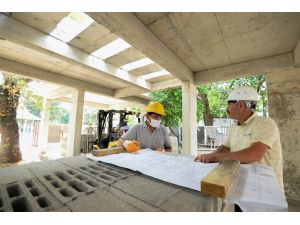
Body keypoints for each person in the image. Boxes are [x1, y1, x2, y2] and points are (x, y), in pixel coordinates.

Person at [194, 86, 283, 189]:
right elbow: (225, 147)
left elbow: (254, 154)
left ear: (240, 105)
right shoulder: (233, 127)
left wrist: (216, 157)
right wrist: (210, 156)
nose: (227, 108)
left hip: (265, 188)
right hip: (242, 185)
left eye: (229, 104)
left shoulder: (265, 123)